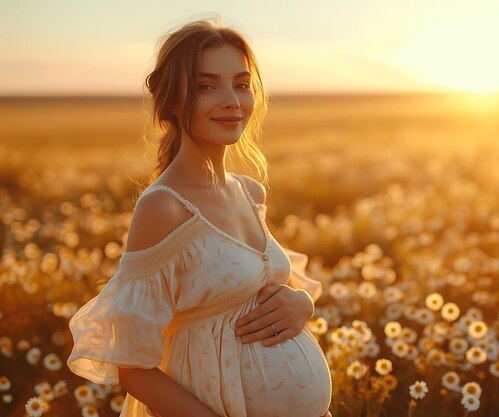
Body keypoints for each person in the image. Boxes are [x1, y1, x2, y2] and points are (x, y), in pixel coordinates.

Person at [67, 17, 332, 417]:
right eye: (207, 86)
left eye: (241, 84)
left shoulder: (249, 192)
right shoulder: (164, 208)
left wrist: (302, 303)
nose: (231, 100)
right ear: (171, 100)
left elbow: (268, 289)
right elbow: (135, 371)